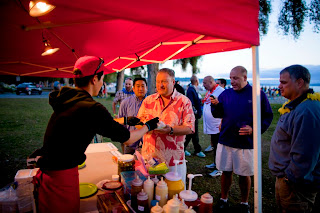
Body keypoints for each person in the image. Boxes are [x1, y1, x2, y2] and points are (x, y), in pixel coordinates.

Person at [32, 56, 159, 213]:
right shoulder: (92, 108)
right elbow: (129, 139)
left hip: (47, 176)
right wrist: (148, 126)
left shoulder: (69, 100)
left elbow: (97, 122)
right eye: (102, 79)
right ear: (94, 79)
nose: (102, 84)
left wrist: (125, 120)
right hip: (61, 181)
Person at [211, 66, 273, 212]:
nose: (232, 81)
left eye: (236, 78)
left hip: (245, 142)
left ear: (245, 78)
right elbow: (218, 114)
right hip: (226, 139)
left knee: (244, 174)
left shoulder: (257, 94)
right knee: (226, 171)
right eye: (231, 78)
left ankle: (244, 203)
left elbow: (267, 116)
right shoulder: (226, 94)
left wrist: (254, 129)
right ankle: (223, 199)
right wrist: (216, 106)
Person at [268, 65, 320, 213]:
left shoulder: (307, 111)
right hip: (287, 181)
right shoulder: (297, 106)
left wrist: (289, 178)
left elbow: (305, 154)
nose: (279, 86)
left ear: (299, 83)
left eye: (283, 82)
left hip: (295, 186)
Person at [137, 68, 195, 184]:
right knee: (149, 193)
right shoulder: (148, 100)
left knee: (174, 197)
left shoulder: (184, 101)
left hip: (173, 161)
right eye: (158, 81)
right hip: (150, 159)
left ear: (173, 82)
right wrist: (146, 126)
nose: (160, 85)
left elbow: (190, 128)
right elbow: (138, 123)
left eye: (164, 81)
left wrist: (171, 130)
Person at [118, 77, 148, 154]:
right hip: (130, 143)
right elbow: (120, 121)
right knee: (128, 164)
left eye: (143, 86)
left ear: (146, 88)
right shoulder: (125, 103)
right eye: (138, 86)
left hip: (147, 144)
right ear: (133, 88)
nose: (140, 88)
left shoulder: (151, 103)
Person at [202, 76, 225, 175]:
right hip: (211, 125)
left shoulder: (221, 91)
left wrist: (222, 122)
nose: (203, 85)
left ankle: (220, 168)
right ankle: (215, 163)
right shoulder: (210, 91)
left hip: (217, 125)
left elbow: (224, 107)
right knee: (214, 145)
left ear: (211, 82)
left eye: (205, 83)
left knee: (219, 146)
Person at [184, 75, 205, 158]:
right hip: (193, 116)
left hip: (194, 115)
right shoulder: (191, 90)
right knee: (193, 133)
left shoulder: (193, 89)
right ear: (196, 81)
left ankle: (184, 148)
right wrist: (195, 114)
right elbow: (191, 103)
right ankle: (197, 150)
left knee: (191, 133)